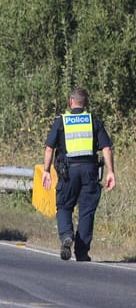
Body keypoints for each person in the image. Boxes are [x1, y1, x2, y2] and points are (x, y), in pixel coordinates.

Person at [41, 87, 116, 261]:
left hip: (68, 172)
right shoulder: (93, 121)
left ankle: (67, 235)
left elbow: (49, 148)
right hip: (90, 171)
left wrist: (46, 171)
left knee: (65, 206)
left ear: (70, 102)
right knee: (87, 212)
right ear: (85, 104)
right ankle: (82, 252)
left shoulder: (62, 121)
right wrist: (111, 172)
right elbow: (106, 148)